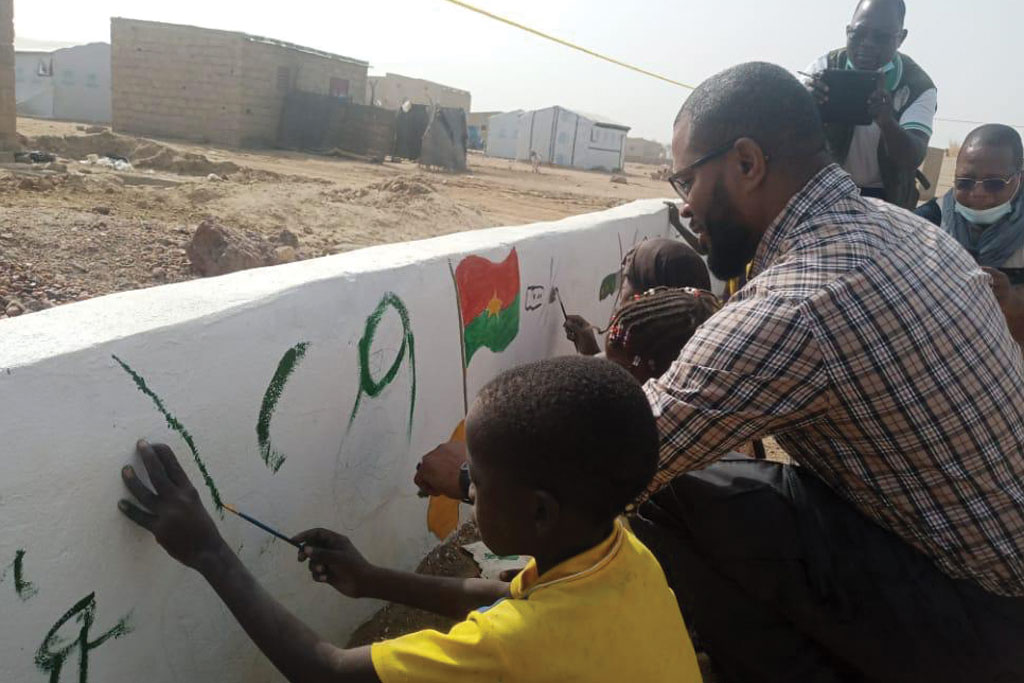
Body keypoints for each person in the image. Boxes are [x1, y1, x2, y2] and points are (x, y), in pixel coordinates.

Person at [419, 61, 1024, 682]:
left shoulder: (800, 304)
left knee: (657, 486)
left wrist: (469, 477)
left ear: (746, 163)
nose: (684, 204)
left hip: (977, 617)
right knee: (716, 481)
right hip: (980, 560)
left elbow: (627, 454)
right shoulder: (905, 227)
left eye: (686, 179)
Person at [117, 356, 702, 683]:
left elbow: (327, 674)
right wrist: (373, 580)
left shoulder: (515, 649)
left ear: (540, 512)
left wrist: (210, 553)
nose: (464, 486)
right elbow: (499, 597)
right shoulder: (624, 556)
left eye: (477, 483)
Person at [803, 0, 936, 208]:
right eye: (858, 34)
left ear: (901, 38)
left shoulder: (917, 86)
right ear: (848, 31)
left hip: (886, 199)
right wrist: (805, 104)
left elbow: (913, 156)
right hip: (825, 190)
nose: (867, 44)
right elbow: (785, 135)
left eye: (881, 37)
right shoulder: (823, 69)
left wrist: (887, 122)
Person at [915, 124, 1024, 345]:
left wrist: (1011, 304)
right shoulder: (926, 224)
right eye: (965, 182)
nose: (978, 194)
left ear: (1019, 177)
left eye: (994, 184)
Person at [562, 238, 711, 355]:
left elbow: (616, 386)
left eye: (627, 278)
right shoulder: (697, 345)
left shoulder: (646, 361)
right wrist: (590, 349)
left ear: (650, 292)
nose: (621, 287)